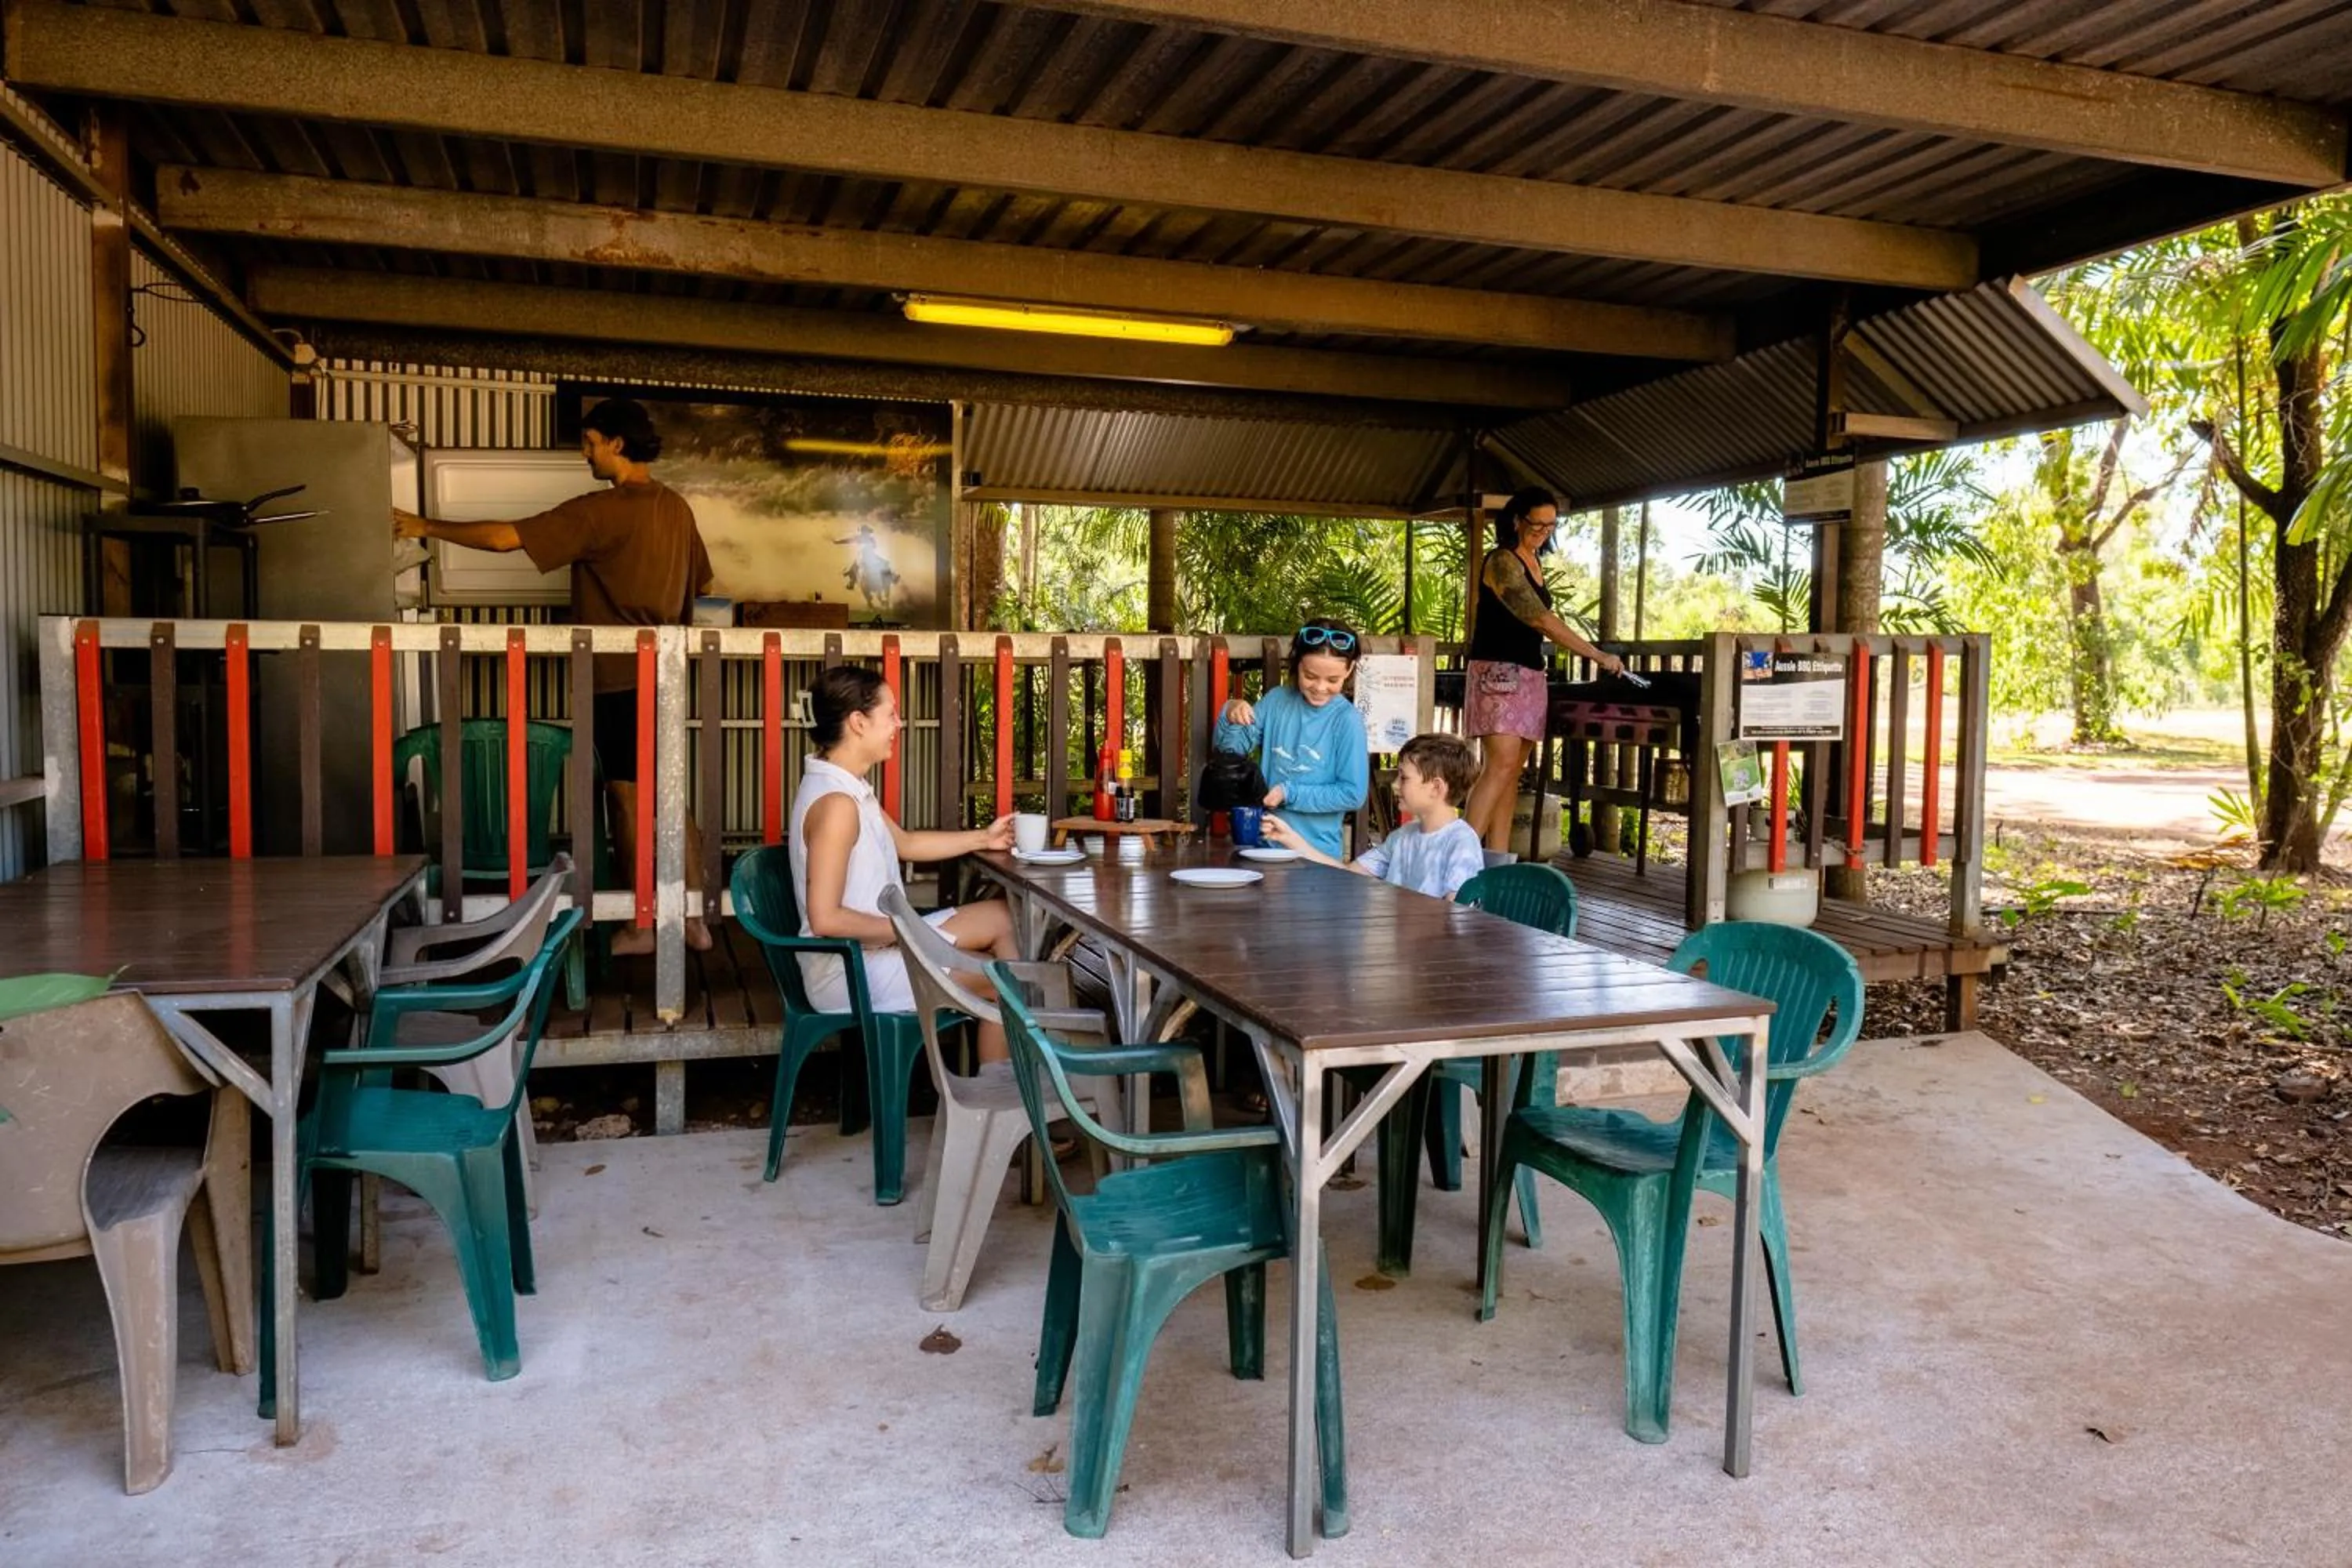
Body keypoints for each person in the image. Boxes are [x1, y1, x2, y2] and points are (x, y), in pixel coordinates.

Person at [395, 398, 715, 953]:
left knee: (627, 796)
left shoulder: (603, 511)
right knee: (671, 793)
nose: (584, 453)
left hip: (617, 675)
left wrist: (422, 525)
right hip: (667, 672)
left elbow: (504, 539)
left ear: (618, 444)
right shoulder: (677, 508)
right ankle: (694, 918)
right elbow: (704, 585)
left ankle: (641, 924)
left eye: (590, 442)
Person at [792, 666, 1021, 1061]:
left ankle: (1019, 1039)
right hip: (851, 971)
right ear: (859, 722)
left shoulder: (848, 786)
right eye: (892, 713)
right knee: (1007, 981)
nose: (900, 723)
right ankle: (999, 1104)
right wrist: (907, 932)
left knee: (1003, 916)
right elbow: (825, 920)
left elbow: (906, 843)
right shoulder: (836, 805)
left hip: (881, 944)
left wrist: (985, 837)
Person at [1462, 486, 1624, 852]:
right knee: (1500, 765)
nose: (1543, 532)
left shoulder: (1535, 561)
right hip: (1497, 674)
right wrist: (1597, 655)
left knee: (1511, 774)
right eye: (1537, 525)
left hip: (1531, 675)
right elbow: (1542, 620)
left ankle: (1498, 862)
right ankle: (1454, 860)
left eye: (1551, 526)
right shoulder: (1502, 561)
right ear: (1518, 521)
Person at [1212, 619, 1370, 862]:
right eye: (1310, 676)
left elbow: (1352, 794)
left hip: (1317, 856)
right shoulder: (1276, 701)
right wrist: (1232, 712)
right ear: (1296, 664)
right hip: (1262, 849)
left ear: (1348, 671)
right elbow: (1230, 750)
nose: (1320, 687)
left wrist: (1290, 793)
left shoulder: (1347, 720)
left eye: (1332, 680)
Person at [1264, 731, 1485, 900]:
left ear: (1436, 788)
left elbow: (1458, 916)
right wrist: (1290, 838)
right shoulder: (1402, 837)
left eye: (1404, 778)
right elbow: (1349, 873)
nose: (1395, 785)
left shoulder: (1461, 842)